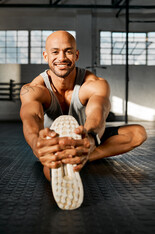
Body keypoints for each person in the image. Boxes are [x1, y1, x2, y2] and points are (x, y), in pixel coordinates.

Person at [20, 30, 147, 182]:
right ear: (46, 56)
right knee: (51, 168)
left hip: (84, 135)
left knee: (138, 133)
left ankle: (86, 156)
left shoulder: (94, 84)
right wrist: (37, 145)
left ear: (76, 55)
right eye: (55, 52)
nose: (62, 58)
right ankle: (64, 159)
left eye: (68, 52)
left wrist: (91, 139)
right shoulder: (34, 89)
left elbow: (97, 114)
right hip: (54, 140)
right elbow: (30, 118)